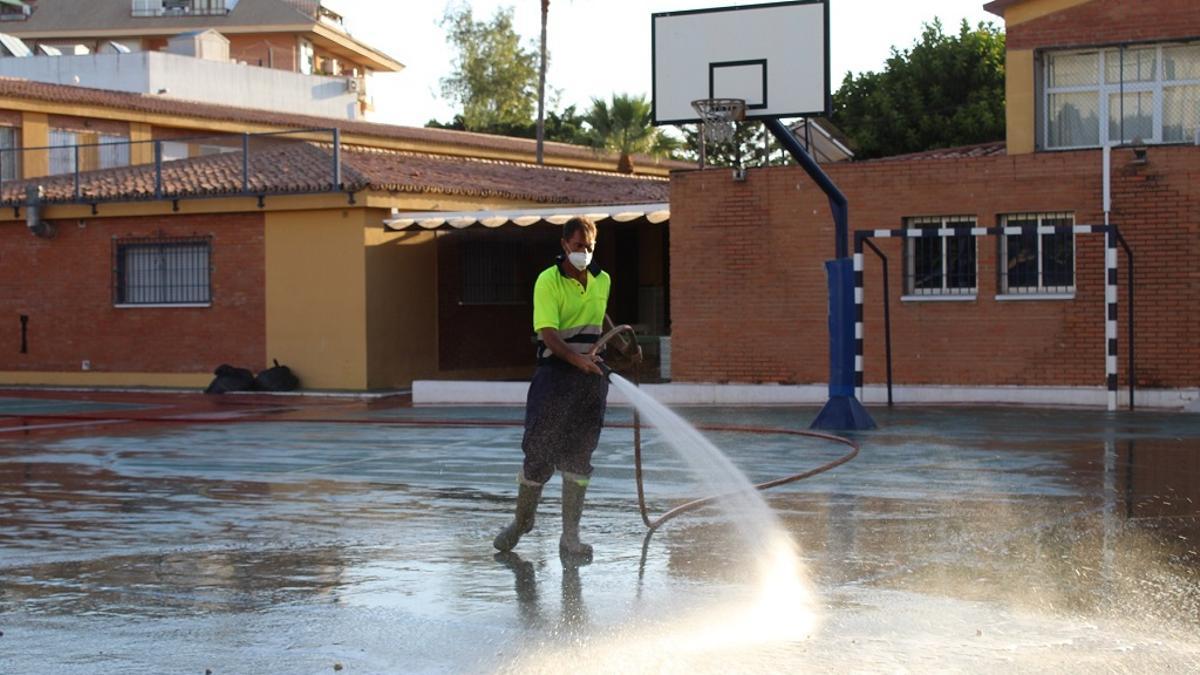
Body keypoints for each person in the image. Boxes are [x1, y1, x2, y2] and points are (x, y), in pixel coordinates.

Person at [493, 216, 636, 562]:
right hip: (554, 377)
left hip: (589, 383)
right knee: (539, 455)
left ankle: (570, 536)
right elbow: (549, 335)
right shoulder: (548, 281)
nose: (583, 253)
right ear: (563, 246)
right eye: (577, 247)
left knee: (579, 457)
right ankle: (521, 522)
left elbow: (599, 315)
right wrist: (577, 360)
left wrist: (621, 343)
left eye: (588, 248)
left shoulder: (602, 279)